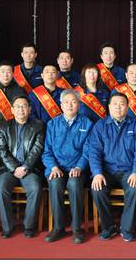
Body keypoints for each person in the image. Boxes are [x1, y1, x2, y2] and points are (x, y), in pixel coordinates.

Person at [89, 93, 136, 242]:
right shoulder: (100, 126)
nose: (118, 107)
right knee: (97, 189)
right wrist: (97, 173)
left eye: (122, 104)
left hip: (128, 171)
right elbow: (94, 152)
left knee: (135, 188)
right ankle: (109, 227)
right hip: (107, 172)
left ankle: (126, 228)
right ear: (109, 107)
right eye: (115, 104)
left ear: (127, 107)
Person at [42, 89, 93, 244]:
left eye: (73, 102)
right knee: (55, 183)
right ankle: (58, 227)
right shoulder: (52, 124)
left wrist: (79, 167)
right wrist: (53, 167)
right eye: (66, 102)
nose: (70, 105)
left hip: (77, 168)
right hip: (56, 168)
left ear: (79, 104)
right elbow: (46, 152)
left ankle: (77, 228)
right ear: (61, 105)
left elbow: (88, 151)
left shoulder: (87, 123)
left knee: (74, 184)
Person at [0, 95, 45, 239]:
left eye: (24, 106)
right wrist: (14, 168)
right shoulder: (4, 126)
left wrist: (25, 167)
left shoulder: (38, 126)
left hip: (30, 169)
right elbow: (2, 150)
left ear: (29, 109)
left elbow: (37, 149)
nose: (21, 109)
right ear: (12, 109)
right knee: (0, 189)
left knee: (35, 188)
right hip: (8, 169)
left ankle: (29, 226)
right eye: (17, 106)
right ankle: (7, 227)